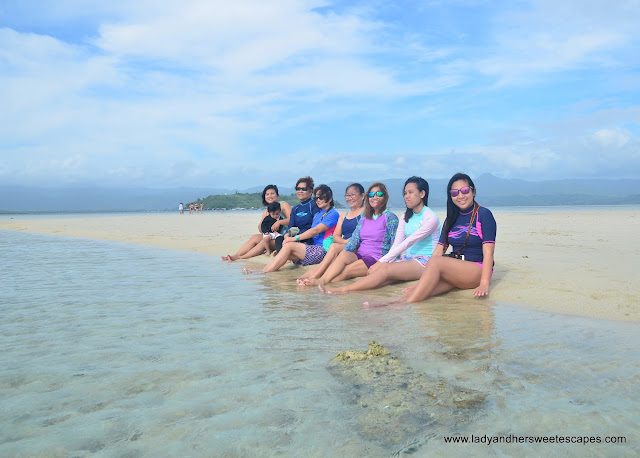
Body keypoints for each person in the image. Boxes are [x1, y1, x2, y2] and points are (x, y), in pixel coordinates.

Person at [377, 173, 496, 305]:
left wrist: (484, 284)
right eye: (455, 193)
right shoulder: (451, 218)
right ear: (450, 196)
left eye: (465, 191)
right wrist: (423, 281)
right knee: (422, 291)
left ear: (473, 191)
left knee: (435, 262)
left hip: (477, 270)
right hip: (457, 270)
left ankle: (407, 303)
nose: (460, 196)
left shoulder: (484, 214)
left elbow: (488, 253)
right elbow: (439, 250)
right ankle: (390, 305)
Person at [322, 176, 440, 294]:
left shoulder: (430, 218)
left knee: (384, 270)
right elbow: (397, 244)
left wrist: (381, 262)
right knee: (383, 279)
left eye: (410, 192)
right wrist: (384, 261)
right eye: (405, 193)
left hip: (425, 261)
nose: (406, 196)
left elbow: (407, 243)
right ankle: (374, 303)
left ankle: (342, 290)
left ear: (422, 194)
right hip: (407, 258)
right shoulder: (405, 216)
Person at [311, 182, 399, 287]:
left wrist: (387, 264)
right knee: (343, 255)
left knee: (347, 270)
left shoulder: (390, 217)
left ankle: (321, 283)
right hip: (360, 255)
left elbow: (396, 244)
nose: (374, 197)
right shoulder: (365, 217)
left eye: (379, 194)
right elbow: (354, 240)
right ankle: (320, 281)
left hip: (375, 257)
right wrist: (340, 258)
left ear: (385, 197)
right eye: (371, 195)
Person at [247, 184, 339, 273]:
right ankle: (265, 271)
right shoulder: (318, 214)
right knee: (285, 251)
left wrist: (295, 238)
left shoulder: (332, 213)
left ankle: (263, 272)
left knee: (289, 246)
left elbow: (316, 230)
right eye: (316, 198)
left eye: (322, 197)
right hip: (312, 248)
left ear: (330, 198)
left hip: (323, 250)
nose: (318, 200)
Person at [296, 183, 365, 284]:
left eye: (353, 195)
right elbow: (336, 236)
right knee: (325, 263)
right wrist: (345, 241)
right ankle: (299, 279)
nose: (350, 198)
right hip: (345, 245)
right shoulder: (344, 215)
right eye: (347, 195)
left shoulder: (366, 213)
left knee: (333, 248)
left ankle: (315, 277)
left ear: (362, 196)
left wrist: (349, 242)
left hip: (357, 247)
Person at [222, 185, 292, 261]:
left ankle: (240, 258)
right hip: (272, 236)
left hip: (283, 237)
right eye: (267, 194)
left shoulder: (283, 205)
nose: (270, 196)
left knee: (264, 241)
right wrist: (266, 219)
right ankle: (236, 255)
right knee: (255, 237)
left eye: (272, 193)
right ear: (264, 197)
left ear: (277, 195)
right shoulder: (267, 211)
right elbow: (260, 229)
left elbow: (292, 220)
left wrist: (279, 222)